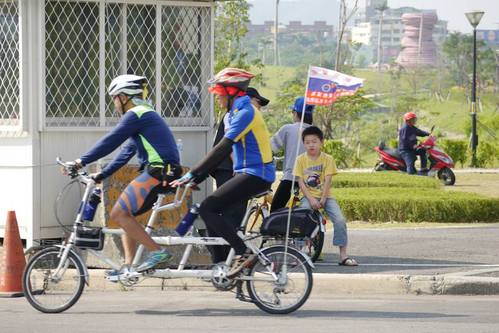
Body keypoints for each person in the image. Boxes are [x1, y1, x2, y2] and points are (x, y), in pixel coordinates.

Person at [171, 68, 276, 277]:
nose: (217, 97)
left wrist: (192, 173)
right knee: (211, 212)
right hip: (246, 173)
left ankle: (243, 252)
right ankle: (221, 267)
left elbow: (222, 147)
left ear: (232, 92)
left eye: (220, 92)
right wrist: (197, 177)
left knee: (208, 207)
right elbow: (222, 151)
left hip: (257, 174)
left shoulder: (246, 112)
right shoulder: (235, 113)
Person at [74, 74, 182, 276]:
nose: (114, 104)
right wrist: (103, 174)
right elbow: (126, 151)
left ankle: (158, 252)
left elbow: (111, 140)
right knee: (126, 215)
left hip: (159, 170)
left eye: (114, 98)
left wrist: (82, 161)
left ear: (124, 97)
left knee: (118, 214)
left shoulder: (137, 114)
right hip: (161, 171)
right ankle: (129, 266)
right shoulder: (144, 116)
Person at [294, 126, 357, 266]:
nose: (311, 144)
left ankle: (343, 255)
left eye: (314, 141)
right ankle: (301, 251)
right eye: (307, 142)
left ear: (321, 142)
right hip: (308, 197)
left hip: (326, 197)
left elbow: (328, 180)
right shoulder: (300, 160)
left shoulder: (328, 159)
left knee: (340, 220)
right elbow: (300, 182)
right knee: (302, 218)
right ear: (303, 144)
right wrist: (311, 199)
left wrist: (322, 199)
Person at [270, 97, 314, 212]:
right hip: (312, 178)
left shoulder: (288, 129)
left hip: (291, 177)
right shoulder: (316, 131)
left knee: (275, 210)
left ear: (295, 113)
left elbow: (271, 148)